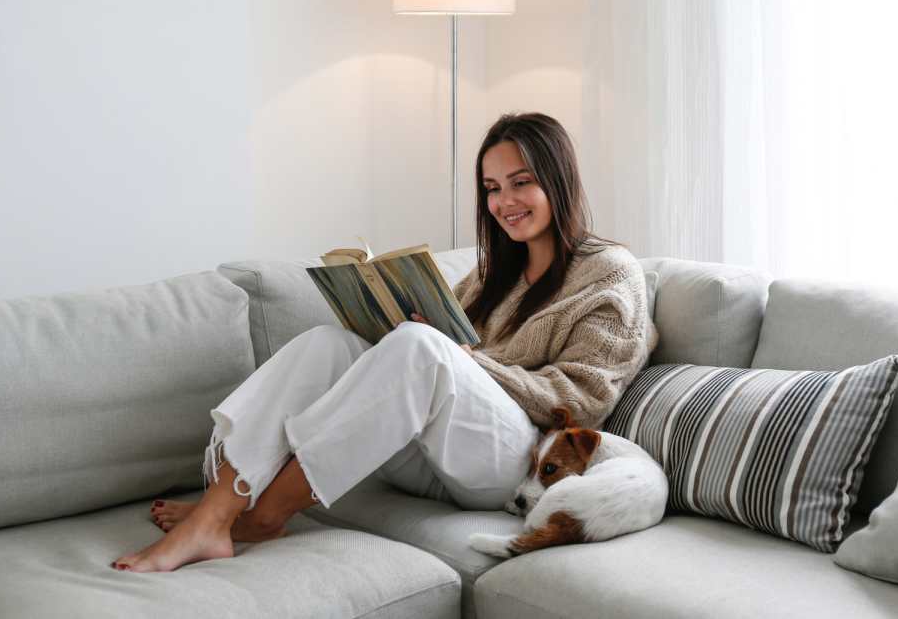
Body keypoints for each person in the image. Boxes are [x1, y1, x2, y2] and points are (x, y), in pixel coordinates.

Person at [112, 112, 659, 572]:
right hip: (441, 450)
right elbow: (442, 357)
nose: (504, 201)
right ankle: (217, 509)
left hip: (517, 463)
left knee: (421, 349)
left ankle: (259, 518)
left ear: (558, 180)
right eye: (492, 188)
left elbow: (584, 401)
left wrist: (460, 358)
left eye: (521, 182)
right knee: (328, 343)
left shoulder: (609, 274)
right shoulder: (491, 272)